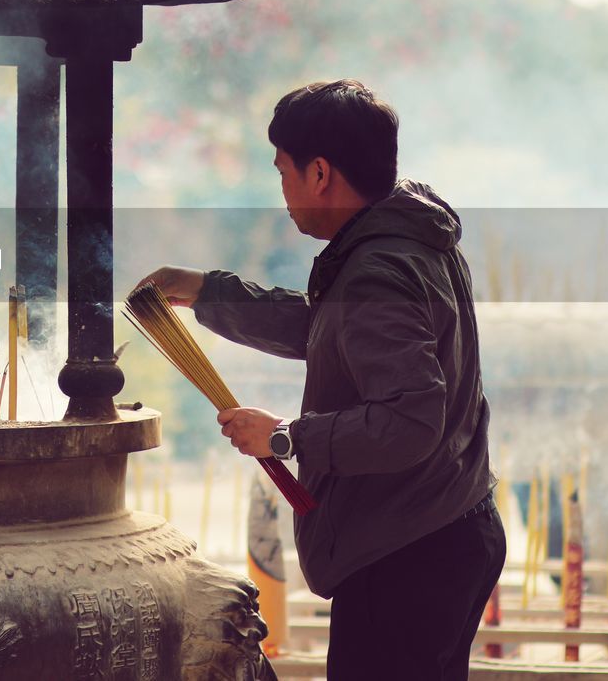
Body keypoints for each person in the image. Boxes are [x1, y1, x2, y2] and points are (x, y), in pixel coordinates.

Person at [140, 79, 501, 680]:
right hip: (450, 525)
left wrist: (284, 438)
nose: (281, 191)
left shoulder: (377, 269)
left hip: (408, 552)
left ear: (321, 173)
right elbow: (335, 330)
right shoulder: (409, 238)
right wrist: (209, 292)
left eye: (283, 172)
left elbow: (409, 423)